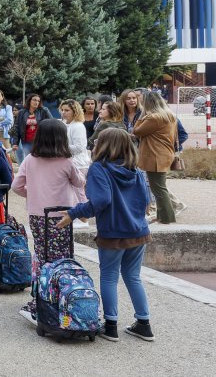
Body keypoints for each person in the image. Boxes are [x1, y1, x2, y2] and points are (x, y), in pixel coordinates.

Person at [58, 128, 154, 342]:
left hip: (113, 232)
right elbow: (147, 202)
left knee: (109, 276)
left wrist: (74, 213)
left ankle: (111, 326)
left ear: (104, 145)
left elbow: (101, 201)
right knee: (133, 276)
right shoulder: (136, 170)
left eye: (97, 141)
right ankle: (144, 324)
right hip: (139, 231)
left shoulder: (99, 169)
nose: (94, 145)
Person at [12, 119, 86, 322]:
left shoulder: (30, 159)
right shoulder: (66, 162)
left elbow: (16, 186)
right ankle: (59, 297)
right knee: (62, 256)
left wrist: (33, 194)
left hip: (37, 215)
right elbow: (79, 182)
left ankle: (40, 299)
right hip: (62, 216)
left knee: (42, 255)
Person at [134, 91, 179, 224]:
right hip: (164, 153)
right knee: (159, 187)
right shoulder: (169, 115)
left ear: (147, 103)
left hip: (155, 155)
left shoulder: (154, 118)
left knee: (158, 188)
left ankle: (166, 218)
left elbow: (136, 131)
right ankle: (161, 216)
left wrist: (141, 115)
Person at [13, 94, 52, 164]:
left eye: (38, 101)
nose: (36, 102)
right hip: (26, 142)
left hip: (40, 142)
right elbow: (17, 127)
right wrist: (15, 143)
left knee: (40, 161)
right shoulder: (22, 112)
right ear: (29, 101)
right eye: (34, 100)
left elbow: (52, 123)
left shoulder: (44, 111)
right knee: (29, 161)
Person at [59, 99, 91, 180]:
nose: (63, 112)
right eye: (62, 110)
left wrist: (60, 146)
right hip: (68, 163)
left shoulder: (78, 126)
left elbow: (79, 148)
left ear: (75, 111)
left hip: (78, 165)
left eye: (67, 110)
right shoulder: (64, 124)